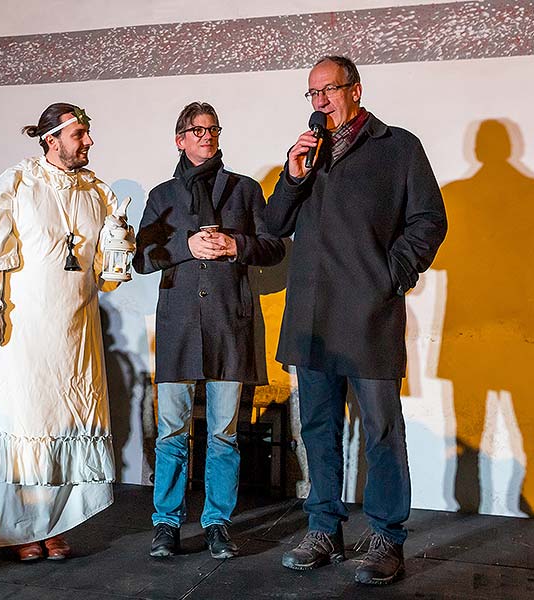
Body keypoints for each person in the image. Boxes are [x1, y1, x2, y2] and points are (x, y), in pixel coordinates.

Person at [264, 56, 447, 585]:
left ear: (356, 90)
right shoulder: (307, 155)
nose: (319, 101)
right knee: (318, 428)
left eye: (328, 90)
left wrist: (390, 275)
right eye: (312, 93)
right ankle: (324, 527)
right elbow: (275, 225)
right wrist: (293, 177)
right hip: (311, 317)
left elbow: (429, 219)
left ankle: (387, 536)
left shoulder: (398, 147)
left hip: (368, 314)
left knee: (382, 429)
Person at [0, 102, 125, 561]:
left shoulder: (97, 191)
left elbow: (104, 273)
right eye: (80, 134)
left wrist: (118, 246)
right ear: (52, 139)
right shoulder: (18, 183)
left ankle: (55, 523)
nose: (88, 142)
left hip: (76, 330)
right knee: (25, 421)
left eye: (87, 134)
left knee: (64, 419)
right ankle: (20, 527)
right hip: (21, 330)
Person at [133, 102, 285, 559]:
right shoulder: (163, 195)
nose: (206, 136)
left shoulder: (243, 189)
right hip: (179, 325)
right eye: (197, 130)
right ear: (180, 139)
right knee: (171, 431)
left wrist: (235, 245)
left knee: (223, 433)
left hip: (228, 322)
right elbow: (142, 257)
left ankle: (218, 522)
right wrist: (186, 244)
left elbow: (273, 247)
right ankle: (166, 523)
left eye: (213, 128)